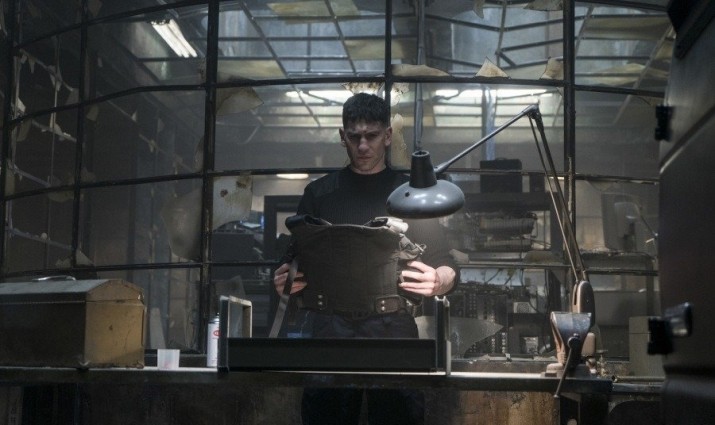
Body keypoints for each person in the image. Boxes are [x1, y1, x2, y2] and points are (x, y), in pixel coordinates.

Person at [273, 92, 456, 425]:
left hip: (392, 327)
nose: (362, 145)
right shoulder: (319, 193)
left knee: (399, 418)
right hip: (329, 327)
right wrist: (284, 279)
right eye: (354, 136)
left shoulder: (410, 194)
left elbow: (446, 262)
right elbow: (291, 261)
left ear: (387, 135)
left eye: (371, 136)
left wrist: (439, 280)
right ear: (342, 136)